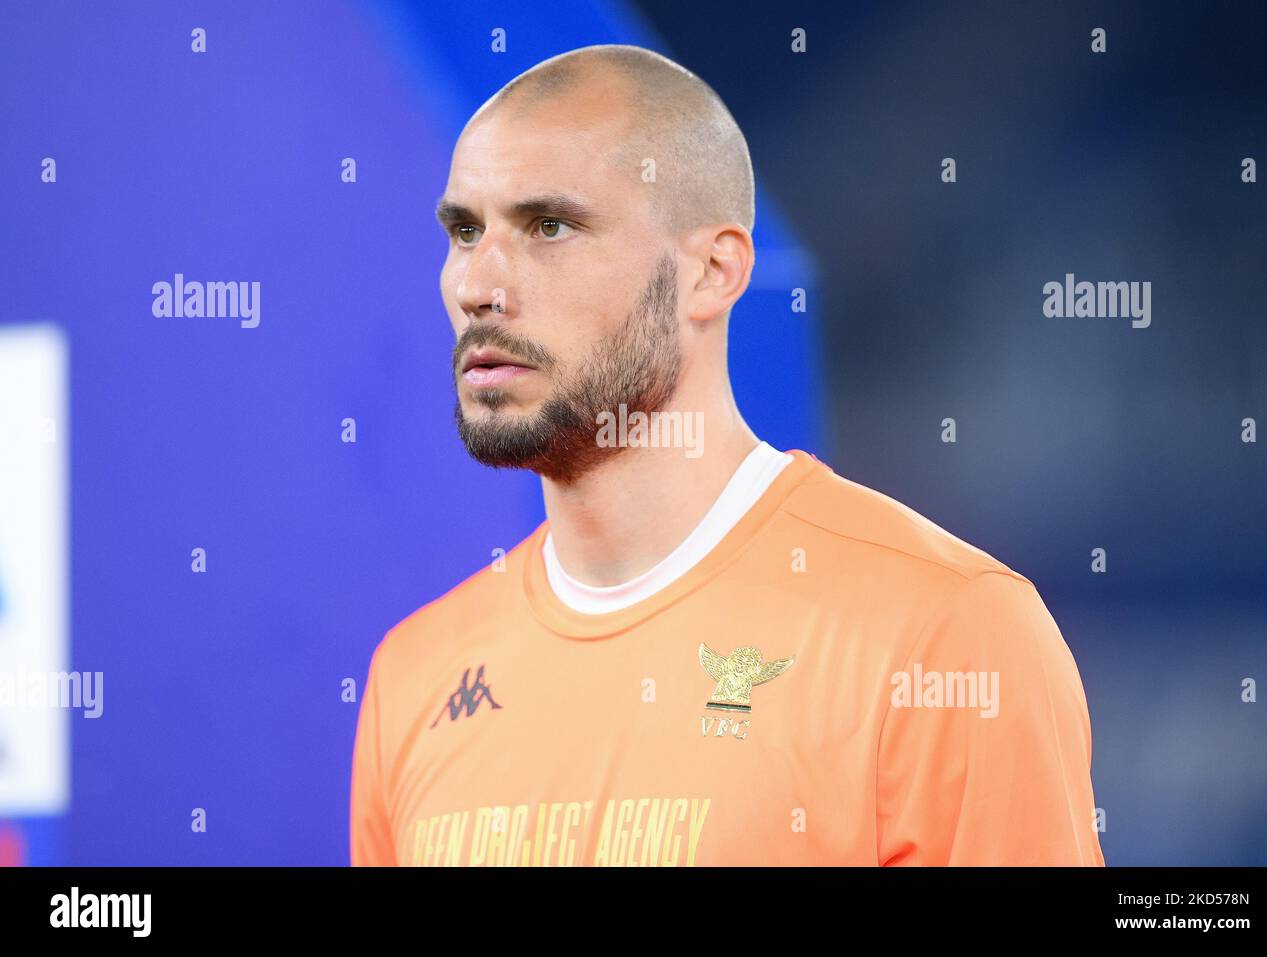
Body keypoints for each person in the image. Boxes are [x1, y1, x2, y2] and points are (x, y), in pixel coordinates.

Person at [350, 43, 1104, 867]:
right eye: (465, 230)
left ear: (712, 272)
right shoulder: (415, 677)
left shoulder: (946, 636)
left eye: (549, 226)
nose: (477, 285)